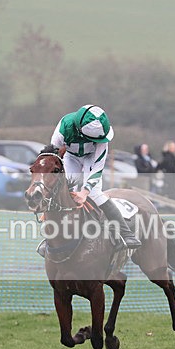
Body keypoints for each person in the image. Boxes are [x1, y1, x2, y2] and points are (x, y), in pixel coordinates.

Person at [50, 104, 141, 249]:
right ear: (80, 131)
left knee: (94, 193)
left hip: (90, 158)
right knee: (63, 189)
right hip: (70, 157)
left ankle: (126, 234)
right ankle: (49, 238)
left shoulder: (102, 138)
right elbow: (53, 155)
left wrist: (84, 192)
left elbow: (97, 168)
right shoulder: (63, 127)